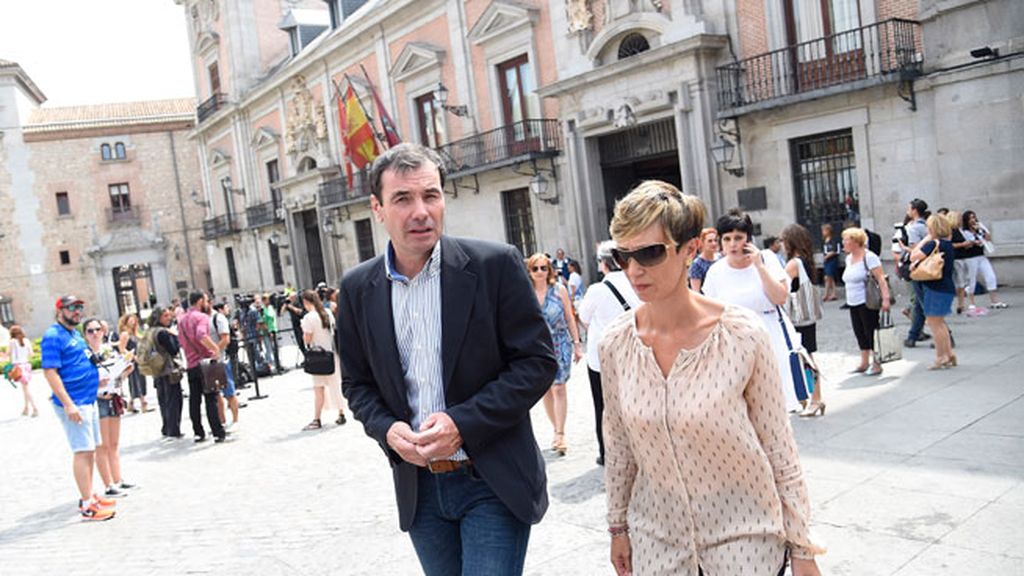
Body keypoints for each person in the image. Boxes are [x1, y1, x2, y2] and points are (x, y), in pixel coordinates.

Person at [338, 143, 557, 575]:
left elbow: (536, 363)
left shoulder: (495, 265)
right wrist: (388, 430)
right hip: (419, 490)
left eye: (431, 195)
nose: (421, 210)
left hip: (491, 479)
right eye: (403, 198)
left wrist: (463, 424)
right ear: (377, 208)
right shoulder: (358, 288)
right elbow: (357, 385)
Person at [600, 181, 823, 576]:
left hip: (746, 541)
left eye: (650, 253)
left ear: (689, 251)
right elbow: (618, 446)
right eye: (623, 256)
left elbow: (779, 449)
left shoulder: (742, 335)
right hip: (657, 543)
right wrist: (618, 527)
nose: (634, 269)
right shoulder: (617, 343)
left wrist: (802, 548)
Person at [703, 209, 804, 413]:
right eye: (727, 238)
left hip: (769, 335)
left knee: (775, 406)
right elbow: (710, 313)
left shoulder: (767, 259)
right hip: (733, 342)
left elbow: (780, 297)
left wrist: (759, 267)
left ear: (748, 240)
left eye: (738, 238)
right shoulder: (715, 271)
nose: (732, 244)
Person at [41, 295, 117, 521]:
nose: (77, 311)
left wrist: (98, 381)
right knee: (82, 451)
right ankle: (86, 505)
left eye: (80, 307)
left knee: (92, 448)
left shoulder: (74, 334)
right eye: (72, 308)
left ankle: (91, 494)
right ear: (60, 310)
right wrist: (68, 404)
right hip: (75, 403)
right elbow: (50, 372)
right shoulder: (53, 336)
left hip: (88, 399)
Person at [578, 240, 640, 466]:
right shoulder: (636, 283)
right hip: (631, 352)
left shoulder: (597, 290)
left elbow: (583, 318)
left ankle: (606, 452)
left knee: (602, 406)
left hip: (600, 357)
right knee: (631, 402)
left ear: (603, 264)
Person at [527, 253, 583, 456]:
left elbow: (570, 318)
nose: (540, 272)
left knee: (559, 388)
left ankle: (560, 433)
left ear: (549, 270)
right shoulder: (526, 292)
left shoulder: (559, 290)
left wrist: (577, 344)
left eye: (544, 268)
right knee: (545, 390)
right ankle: (555, 428)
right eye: (536, 269)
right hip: (536, 347)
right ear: (530, 271)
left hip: (559, 343)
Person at [84, 318, 136, 498]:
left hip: (113, 396)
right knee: (102, 445)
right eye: (90, 331)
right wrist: (96, 385)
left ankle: (118, 479)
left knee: (113, 443)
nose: (95, 333)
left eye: (98, 329)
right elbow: (81, 380)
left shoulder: (109, 351)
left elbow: (117, 373)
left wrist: (125, 371)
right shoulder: (84, 355)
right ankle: (108, 485)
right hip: (97, 399)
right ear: (85, 335)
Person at [782, 224, 825, 416]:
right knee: (806, 357)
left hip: (797, 318)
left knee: (805, 358)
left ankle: (815, 398)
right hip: (807, 317)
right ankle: (809, 398)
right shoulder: (807, 261)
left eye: (784, 240)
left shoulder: (793, 264)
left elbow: (781, 287)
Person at [840, 227, 892, 376]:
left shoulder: (869, 257)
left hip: (867, 300)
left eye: (846, 239)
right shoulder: (849, 258)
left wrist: (886, 299)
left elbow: (881, 279)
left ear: (856, 241)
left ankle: (876, 363)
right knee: (859, 331)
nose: (843, 242)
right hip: (852, 300)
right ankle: (864, 361)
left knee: (871, 331)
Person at [178, 291, 227, 443]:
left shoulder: (181, 320)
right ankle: (217, 431)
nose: (207, 303)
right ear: (200, 301)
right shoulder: (202, 317)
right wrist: (215, 349)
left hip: (191, 363)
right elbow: (201, 335)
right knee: (210, 398)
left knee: (194, 400)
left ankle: (198, 432)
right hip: (204, 361)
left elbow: (181, 341)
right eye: (206, 300)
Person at [911, 215, 957, 369]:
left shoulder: (932, 244)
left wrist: (925, 239)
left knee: (934, 324)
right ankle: (949, 354)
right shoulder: (948, 244)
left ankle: (941, 357)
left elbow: (913, 256)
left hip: (935, 288)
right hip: (946, 287)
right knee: (940, 323)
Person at [300, 289, 346, 430]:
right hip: (332, 354)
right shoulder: (327, 312)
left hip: (318, 357)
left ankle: (317, 418)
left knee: (318, 389)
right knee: (336, 385)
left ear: (306, 302)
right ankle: (341, 413)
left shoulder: (309, 317)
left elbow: (307, 339)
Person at [960, 210, 1008, 313]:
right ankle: (971, 302)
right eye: (970, 218)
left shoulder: (979, 228)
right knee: (972, 279)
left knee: (990, 276)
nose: (972, 220)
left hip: (981, 256)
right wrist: (973, 242)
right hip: (971, 257)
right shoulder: (963, 231)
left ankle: (994, 301)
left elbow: (988, 238)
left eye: (974, 217)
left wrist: (981, 229)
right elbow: (966, 245)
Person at [148, 307, 184, 439]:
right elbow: (173, 350)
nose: (169, 318)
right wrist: (174, 336)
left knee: (163, 400)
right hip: (168, 370)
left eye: (169, 315)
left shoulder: (150, 332)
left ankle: (166, 427)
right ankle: (174, 429)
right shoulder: (164, 333)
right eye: (165, 316)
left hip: (157, 370)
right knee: (174, 400)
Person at [900, 199, 932, 347]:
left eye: (909, 208)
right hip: (929, 265)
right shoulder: (927, 225)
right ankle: (913, 335)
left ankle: (946, 334)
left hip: (917, 267)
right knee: (919, 304)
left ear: (914, 210)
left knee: (924, 303)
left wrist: (903, 247)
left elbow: (915, 249)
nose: (907, 210)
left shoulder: (912, 228)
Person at [211, 301, 240, 428]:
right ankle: (222, 421)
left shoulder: (218, 317)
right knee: (216, 394)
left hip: (221, 360)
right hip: (211, 362)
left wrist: (215, 352)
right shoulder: (205, 319)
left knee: (229, 392)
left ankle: (235, 420)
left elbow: (225, 339)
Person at [117, 313, 149, 413]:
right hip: (132, 361)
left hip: (139, 360)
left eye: (134, 320)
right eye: (130, 320)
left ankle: (131, 403)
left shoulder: (136, 333)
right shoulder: (125, 334)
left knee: (139, 381)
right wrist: (132, 357)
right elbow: (121, 348)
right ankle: (143, 403)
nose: (133, 322)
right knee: (136, 381)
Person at [7, 325, 38, 417]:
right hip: (27, 365)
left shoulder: (12, 342)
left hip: (18, 367)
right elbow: (31, 354)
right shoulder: (26, 341)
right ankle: (26, 408)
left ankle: (35, 408)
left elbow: (8, 353)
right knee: (25, 388)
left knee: (26, 389)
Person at [687, 227, 719, 292]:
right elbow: (696, 292)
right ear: (702, 242)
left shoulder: (720, 258)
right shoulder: (697, 264)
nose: (714, 243)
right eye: (710, 241)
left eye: (715, 240)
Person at [820, 224, 839, 301]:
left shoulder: (833, 240)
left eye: (824, 230)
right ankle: (834, 293)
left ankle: (826, 294)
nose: (823, 232)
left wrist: (827, 256)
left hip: (832, 260)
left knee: (827, 277)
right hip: (826, 260)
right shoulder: (824, 240)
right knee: (830, 277)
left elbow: (835, 250)